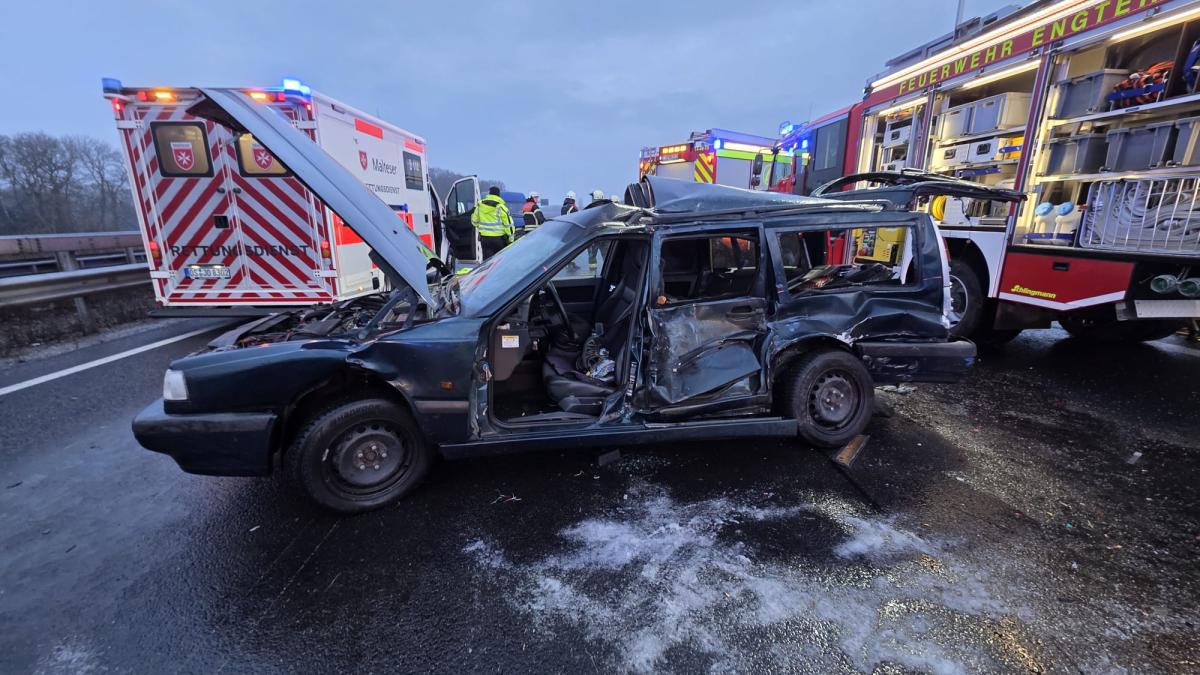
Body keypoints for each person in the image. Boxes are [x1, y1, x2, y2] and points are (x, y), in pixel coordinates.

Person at [471, 186, 513, 260]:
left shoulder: (480, 206)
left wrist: (481, 227)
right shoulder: (501, 207)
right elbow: (508, 224)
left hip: (484, 239)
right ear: (498, 195)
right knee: (499, 261)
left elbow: (474, 222)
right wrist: (511, 238)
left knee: (487, 261)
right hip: (499, 239)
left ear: (489, 193)